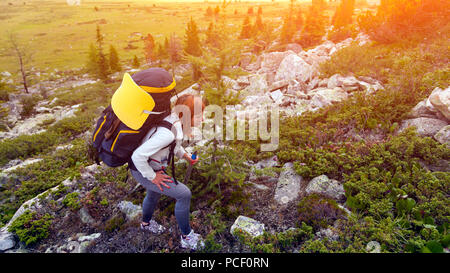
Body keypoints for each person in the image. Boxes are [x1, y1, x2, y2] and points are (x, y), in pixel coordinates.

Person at [130, 94, 205, 250]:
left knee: (153, 193)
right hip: (141, 168)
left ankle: (145, 224)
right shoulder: (168, 134)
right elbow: (137, 156)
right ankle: (186, 237)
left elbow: (174, 145)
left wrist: (185, 156)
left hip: (150, 166)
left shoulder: (174, 120)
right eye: (199, 115)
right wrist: (152, 177)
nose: (202, 119)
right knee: (183, 194)